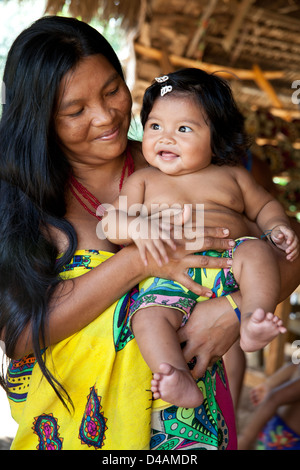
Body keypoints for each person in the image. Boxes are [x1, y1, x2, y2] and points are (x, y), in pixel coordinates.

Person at [0, 17, 298, 451]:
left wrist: (232, 310)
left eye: (111, 91)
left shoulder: (186, 170)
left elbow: (287, 247)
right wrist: (142, 259)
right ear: (39, 118)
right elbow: (21, 334)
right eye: (75, 110)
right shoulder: (19, 204)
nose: (106, 116)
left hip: (190, 440)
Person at [102, 69, 298, 408]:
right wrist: (135, 227)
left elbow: (266, 204)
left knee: (257, 253)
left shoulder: (233, 176)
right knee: (147, 317)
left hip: (230, 263)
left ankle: (252, 318)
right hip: (169, 277)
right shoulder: (143, 181)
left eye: (183, 129)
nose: (165, 137)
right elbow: (109, 223)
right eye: (155, 126)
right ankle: (176, 374)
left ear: (216, 137)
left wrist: (277, 227)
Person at [238, 362, 300, 450]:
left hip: (283, 435)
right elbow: (274, 398)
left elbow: (274, 398)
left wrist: (246, 439)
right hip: (283, 436)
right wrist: (269, 384)